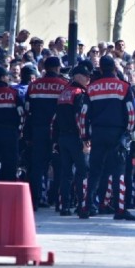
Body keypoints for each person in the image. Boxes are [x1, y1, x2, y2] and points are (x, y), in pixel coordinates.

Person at [79, 55, 135, 221]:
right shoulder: (124, 87)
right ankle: (120, 210)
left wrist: (85, 136)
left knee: (94, 172)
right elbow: (131, 113)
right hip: (117, 134)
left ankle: (85, 207)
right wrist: (127, 133)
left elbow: (83, 115)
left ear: (100, 69)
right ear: (114, 68)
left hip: (97, 133)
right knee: (118, 172)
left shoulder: (91, 88)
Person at [24, 56, 68, 210]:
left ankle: (34, 202)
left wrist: (28, 135)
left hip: (38, 131)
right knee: (60, 167)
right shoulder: (64, 86)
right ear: (57, 68)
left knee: (37, 167)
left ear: (45, 67)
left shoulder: (33, 86)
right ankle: (56, 201)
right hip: (58, 132)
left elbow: (27, 112)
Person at [51, 61, 91, 216]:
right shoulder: (79, 93)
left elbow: (55, 119)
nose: (88, 79)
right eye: (86, 76)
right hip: (76, 138)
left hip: (63, 138)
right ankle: (82, 206)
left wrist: (55, 140)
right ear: (78, 76)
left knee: (65, 173)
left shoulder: (64, 93)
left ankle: (64, 206)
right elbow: (80, 118)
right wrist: (84, 139)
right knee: (82, 172)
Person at [0, 67, 24, 181]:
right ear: (3, 77)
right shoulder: (13, 93)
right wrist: (19, 131)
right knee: (10, 164)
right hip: (10, 133)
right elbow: (21, 115)